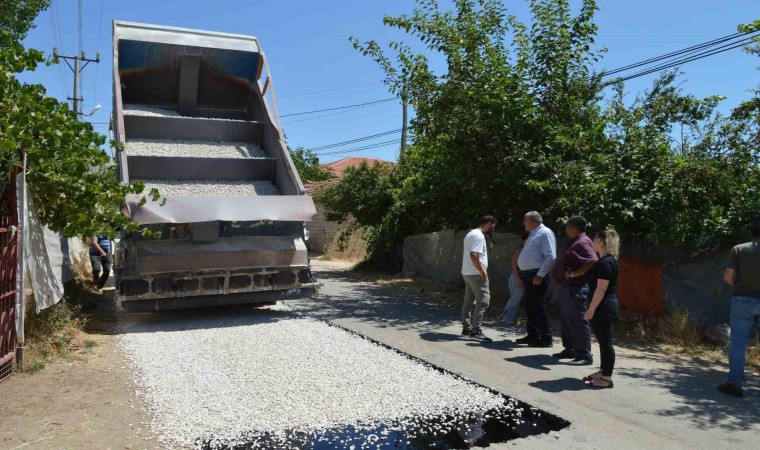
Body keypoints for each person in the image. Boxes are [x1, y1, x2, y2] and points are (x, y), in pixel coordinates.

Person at [567, 229, 620, 389]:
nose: (593, 241)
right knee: (603, 341)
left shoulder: (606, 263)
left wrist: (591, 309)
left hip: (603, 306)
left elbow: (601, 289)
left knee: (606, 342)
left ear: (602, 242)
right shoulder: (605, 260)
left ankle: (606, 378)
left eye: (595, 238)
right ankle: (603, 371)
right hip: (603, 305)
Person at [718, 216, 760, 398]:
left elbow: (728, 276)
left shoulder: (739, 250)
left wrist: (739, 287)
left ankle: (735, 384)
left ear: (751, 233)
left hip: (742, 300)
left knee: (737, 344)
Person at [551, 216, 598, 365]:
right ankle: (570, 349)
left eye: (567, 226)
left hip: (576, 287)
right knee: (567, 319)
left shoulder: (582, 242)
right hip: (568, 287)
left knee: (577, 320)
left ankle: (584, 354)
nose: (566, 229)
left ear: (573, 227)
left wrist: (575, 273)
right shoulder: (576, 241)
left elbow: (592, 260)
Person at [516, 211, 557, 347]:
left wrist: (540, 275)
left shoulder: (545, 233)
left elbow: (550, 256)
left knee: (538, 306)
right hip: (529, 275)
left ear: (533, 221)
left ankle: (546, 337)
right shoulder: (534, 233)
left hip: (537, 275)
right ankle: (533, 335)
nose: (523, 223)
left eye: (525, 221)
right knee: (530, 305)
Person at [461, 216, 497, 343]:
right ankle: (475, 331)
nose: (493, 229)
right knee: (483, 301)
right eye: (493, 226)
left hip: (467, 273)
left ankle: (466, 328)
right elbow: (473, 255)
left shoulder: (470, 233)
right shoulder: (478, 235)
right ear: (489, 224)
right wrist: (482, 272)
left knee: (469, 300)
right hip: (476, 274)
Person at [502, 231, 530, 326]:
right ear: (523, 240)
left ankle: (509, 318)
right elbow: (513, 267)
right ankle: (507, 317)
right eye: (528, 239)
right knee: (515, 298)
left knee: (516, 299)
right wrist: (518, 280)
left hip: (524, 278)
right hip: (517, 278)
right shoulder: (518, 251)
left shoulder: (530, 252)